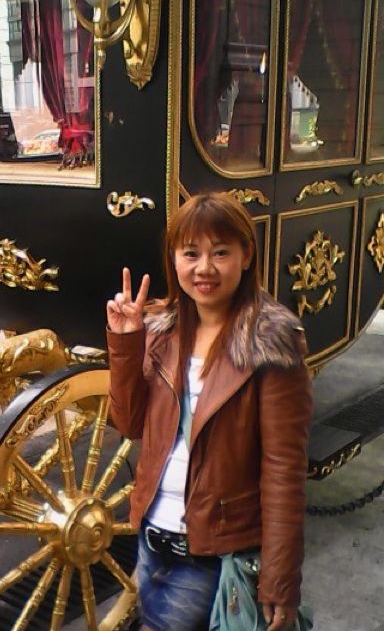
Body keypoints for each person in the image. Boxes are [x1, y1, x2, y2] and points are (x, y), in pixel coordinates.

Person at [106, 192, 312, 631]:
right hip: (151, 539)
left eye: (220, 252)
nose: (204, 268)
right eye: (191, 253)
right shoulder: (162, 331)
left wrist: (280, 575)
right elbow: (129, 423)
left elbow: (284, 468)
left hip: (212, 552)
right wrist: (126, 342)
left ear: (246, 255)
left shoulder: (272, 343)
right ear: (173, 259)